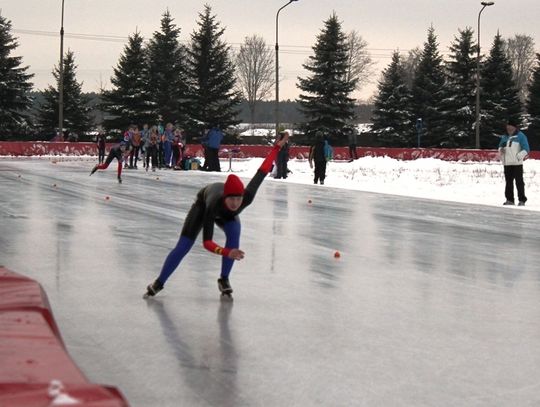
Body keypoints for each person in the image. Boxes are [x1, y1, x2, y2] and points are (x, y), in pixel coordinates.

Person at [144, 133, 290, 298]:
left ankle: (224, 279)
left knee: (235, 232)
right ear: (225, 198)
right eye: (232, 199)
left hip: (225, 214)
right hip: (203, 204)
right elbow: (207, 242)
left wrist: (277, 147)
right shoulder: (213, 205)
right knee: (183, 246)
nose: (236, 203)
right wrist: (226, 252)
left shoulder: (246, 198)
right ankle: (159, 282)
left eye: (238, 199)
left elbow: (262, 171)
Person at [498, 118, 530, 206]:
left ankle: (522, 200)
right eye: (507, 128)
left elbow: (526, 149)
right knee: (508, 182)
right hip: (507, 163)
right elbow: (500, 146)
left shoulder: (521, 136)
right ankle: (509, 199)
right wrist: (501, 150)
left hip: (517, 163)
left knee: (519, 182)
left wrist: (519, 157)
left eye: (511, 128)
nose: (509, 130)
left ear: (515, 128)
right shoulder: (504, 137)